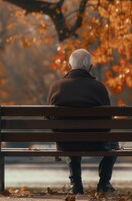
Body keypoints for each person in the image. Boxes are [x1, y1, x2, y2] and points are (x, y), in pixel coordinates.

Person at [46, 49, 118, 194]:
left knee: (69, 137)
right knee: (114, 143)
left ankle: (76, 185)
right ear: (90, 68)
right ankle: (104, 183)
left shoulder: (56, 87)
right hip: (96, 142)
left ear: (69, 66)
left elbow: (48, 118)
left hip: (65, 143)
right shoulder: (99, 87)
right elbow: (108, 119)